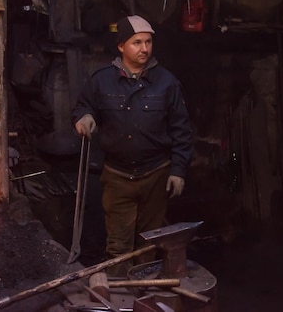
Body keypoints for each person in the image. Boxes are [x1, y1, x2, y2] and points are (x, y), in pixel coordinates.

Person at [72, 14, 193, 276]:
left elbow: (182, 130)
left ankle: (144, 296)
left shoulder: (167, 83)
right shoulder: (102, 80)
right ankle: (119, 294)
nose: (145, 49)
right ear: (121, 46)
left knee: (148, 243)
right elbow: (84, 105)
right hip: (117, 177)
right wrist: (85, 117)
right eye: (137, 42)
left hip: (155, 175)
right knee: (118, 246)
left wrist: (178, 171)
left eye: (148, 42)